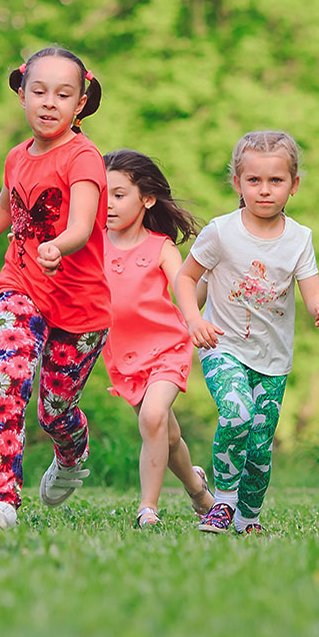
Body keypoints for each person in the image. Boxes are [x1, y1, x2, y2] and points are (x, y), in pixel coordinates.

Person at [0, 46, 109, 532]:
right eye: (40, 91)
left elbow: (83, 225)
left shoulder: (83, 157)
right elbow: (5, 208)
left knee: (55, 409)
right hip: (21, 286)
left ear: (80, 102)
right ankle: (2, 499)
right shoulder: (15, 158)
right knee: (10, 380)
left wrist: (60, 245)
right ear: (22, 95)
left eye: (63, 94)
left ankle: (73, 452)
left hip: (81, 307)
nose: (50, 103)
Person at [174, 130, 319, 535]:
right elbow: (184, 278)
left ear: (293, 185)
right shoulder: (221, 232)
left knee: (260, 447)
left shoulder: (299, 239)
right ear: (238, 183)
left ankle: (249, 518)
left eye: (276, 181)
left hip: (273, 359)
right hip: (223, 345)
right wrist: (195, 320)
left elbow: (312, 289)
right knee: (236, 415)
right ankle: (223, 504)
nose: (264, 190)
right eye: (254, 180)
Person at [101, 148, 216, 528]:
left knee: (152, 418)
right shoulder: (92, 243)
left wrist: (195, 315)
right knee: (165, 434)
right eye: (103, 195)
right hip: (124, 355)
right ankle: (199, 490)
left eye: (119, 195)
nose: (109, 204)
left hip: (167, 347)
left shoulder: (160, 248)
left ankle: (147, 509)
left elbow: (186, 288)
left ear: (146, 199)